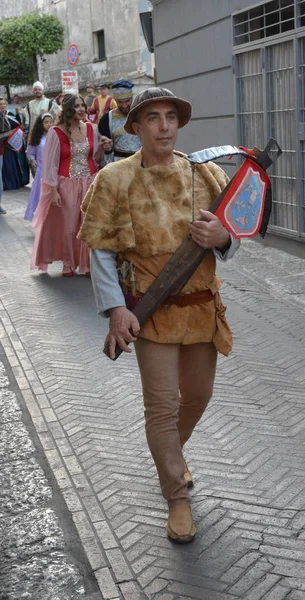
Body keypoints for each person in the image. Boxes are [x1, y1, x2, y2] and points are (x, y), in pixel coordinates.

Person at [78, 88, 240, 543]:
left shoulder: (205, 173)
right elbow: (102, 252)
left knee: (199, 397)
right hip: (151, 313)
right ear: (136, 127)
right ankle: (177, 496)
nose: (164, 126)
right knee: (163, 407)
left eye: (171, 117)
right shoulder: (113, 180)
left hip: (203, 309)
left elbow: (235, 238)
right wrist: (115, 310)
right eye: (153, 118)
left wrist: (222, 239)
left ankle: (168, 455)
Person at [31, 94, 111, 276]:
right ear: (68, 109)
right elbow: (50, 163)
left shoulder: (92, 128)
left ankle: (89, 263)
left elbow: (96, 159)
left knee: (89, 223)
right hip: (66, 184)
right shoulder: (56, 132)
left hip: (90, 182)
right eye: (77, 106)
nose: (82, 109)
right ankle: (68, 262)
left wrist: (103, 146)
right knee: (68, 224)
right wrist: (53, 190)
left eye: (83, 105)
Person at [98, 79, 141, 166]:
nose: (124, 105)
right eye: (120, 102)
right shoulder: (107, 120)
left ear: (132, 98)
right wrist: (107, 149)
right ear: (115, 101)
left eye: (127, 101)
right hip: (120, 168)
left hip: (141, 164)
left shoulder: (140, 115)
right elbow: (105, 154)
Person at [24, 113, 53, 221]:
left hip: (54, 170)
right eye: (46, 122)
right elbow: (30, 152)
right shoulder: (37, 139)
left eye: (51, 122)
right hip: (41, 171)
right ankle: (40, 218)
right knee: (40, 195)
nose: (49, 124)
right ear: (41, 124)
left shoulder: (54, 136)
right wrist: (33, 160)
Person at [0, 97, 30, 191]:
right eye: (0, 104)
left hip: (12, 145)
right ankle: (7, 184)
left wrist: (20, 115)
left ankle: (18, 182)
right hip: (3, 145)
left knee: (15, 163)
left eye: (4, 104)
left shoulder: (10, 114)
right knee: (6, 165)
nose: (2, 106)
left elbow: (19, 126)